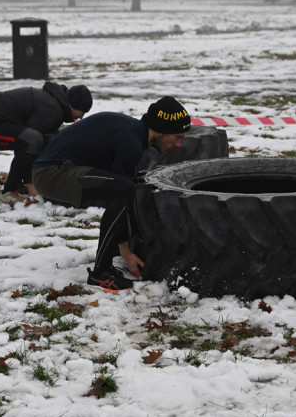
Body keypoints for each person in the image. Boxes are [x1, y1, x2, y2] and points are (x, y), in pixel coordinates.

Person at [31, 96, 191, 292]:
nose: (178, 145)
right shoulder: (131, 140)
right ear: (162, 130)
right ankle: (101, 273)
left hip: (59, 168)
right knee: (123, 190)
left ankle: (110, 258)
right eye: (178, 137)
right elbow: (121, 194)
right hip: (51, 173)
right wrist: (125, 250)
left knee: (124, 188)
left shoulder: (133, 133)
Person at [0, 82, 92, 199]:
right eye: (83, 111)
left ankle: (20, 185)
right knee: (32, 140)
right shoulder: (52, 108)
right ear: (74, 105)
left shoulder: (55, 102)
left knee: (36, 139)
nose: (82, 117)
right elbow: (30, 144)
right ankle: (9, 192)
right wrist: (30, 183)